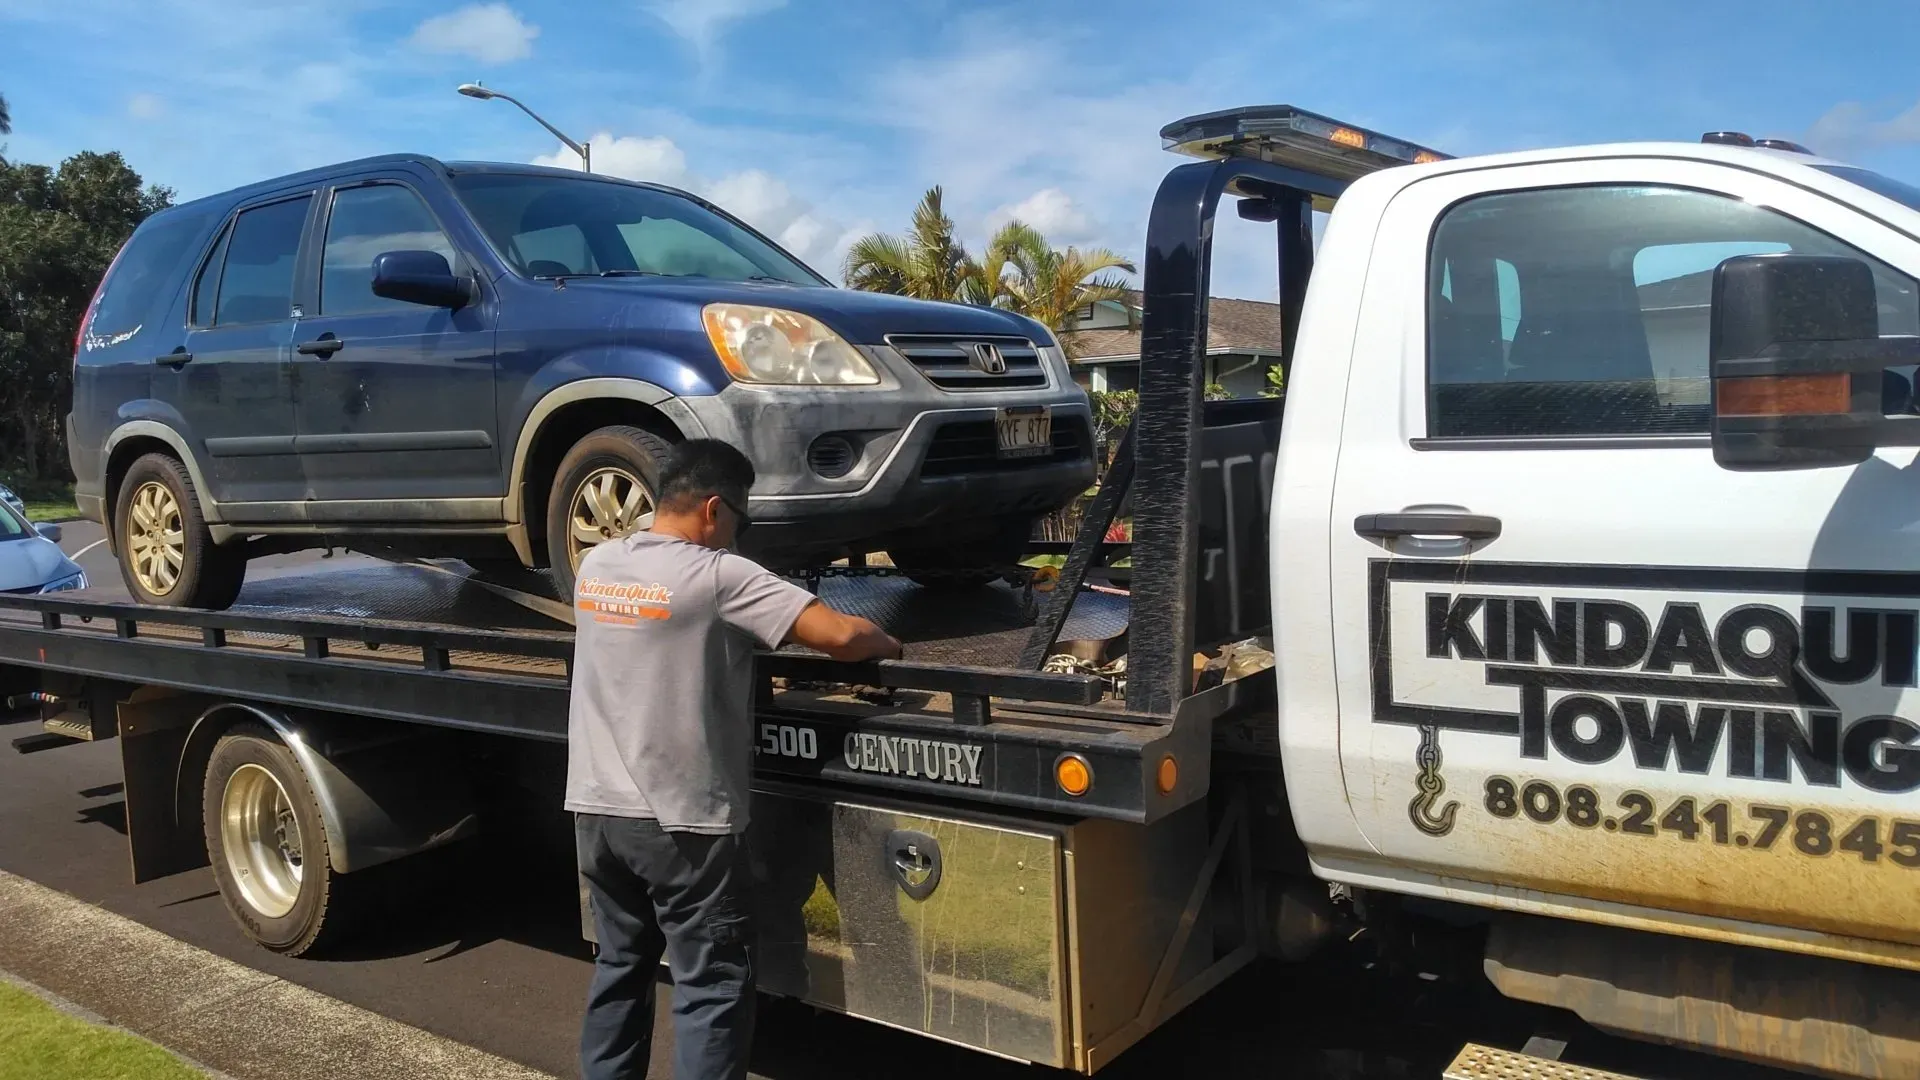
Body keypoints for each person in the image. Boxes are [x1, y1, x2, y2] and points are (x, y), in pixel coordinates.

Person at [565, 438, 902, 1080]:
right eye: (740, 522)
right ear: (715, 510)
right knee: (710, 985)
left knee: (619, 966)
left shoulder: (598, 566)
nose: (738, 536)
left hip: (597, 812)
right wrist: (891, 642)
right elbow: (839, 636)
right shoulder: (720, 576)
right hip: (682, 823)